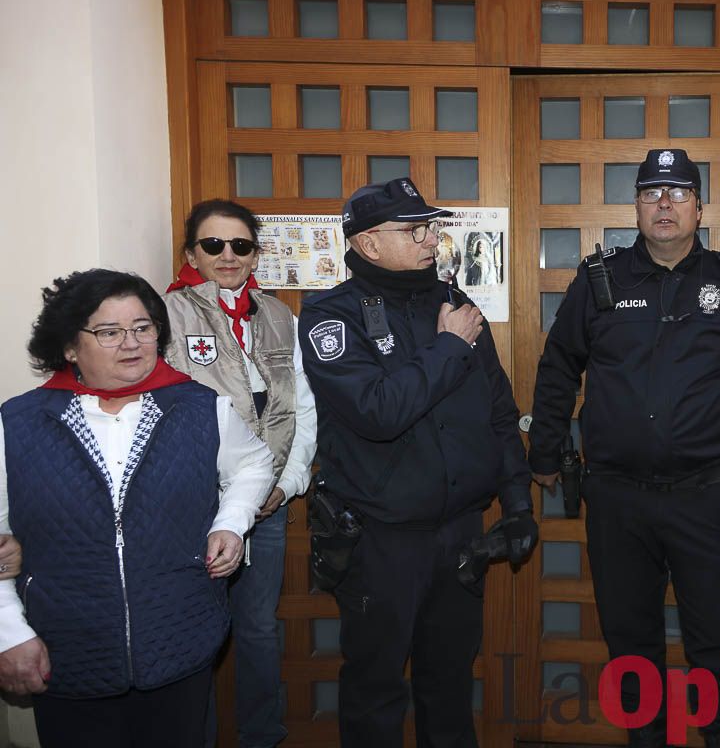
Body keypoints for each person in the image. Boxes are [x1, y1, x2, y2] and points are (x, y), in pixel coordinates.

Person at [529, 148, 720, 747]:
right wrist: (545, 452)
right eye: (652, 191)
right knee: (631, 648)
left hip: (708, 498)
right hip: (618, 501)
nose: (664, 203)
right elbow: (558, 368)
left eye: (678, 192)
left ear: (699, 208)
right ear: (635, 205)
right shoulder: (600, 280)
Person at [299, 177, 536, 748]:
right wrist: (448, 348)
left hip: (459, 535)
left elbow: (500, 415)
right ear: (369, 243)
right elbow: (378, 411)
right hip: (382, 541)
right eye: (415, 230)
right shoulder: (332, 317)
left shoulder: (457, 307)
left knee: (450, 684)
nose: (432, 239)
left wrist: (519, 504)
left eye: (432, 227)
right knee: (376, 691)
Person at [0, 269, 274, 748]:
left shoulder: (199, 406)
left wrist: (231, 523)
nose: (132, 343)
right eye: (109, 332)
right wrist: (7, 633)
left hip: (179, 643)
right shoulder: (18, 423)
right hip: (66, 651)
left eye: (143, 328)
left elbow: (254, 463)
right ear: (69, 346)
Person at [163, 199, 317, 748]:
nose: (228, 255)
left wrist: (286, 482)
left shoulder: (278, 316)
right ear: (191, 254)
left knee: (256, 630)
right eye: (213, 245)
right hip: (193, 509)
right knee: (191, 634)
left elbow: (301, 405)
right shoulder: (164, 316)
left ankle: (261, 737)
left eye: (241, 245)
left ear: (255, 255)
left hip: (267, 506)